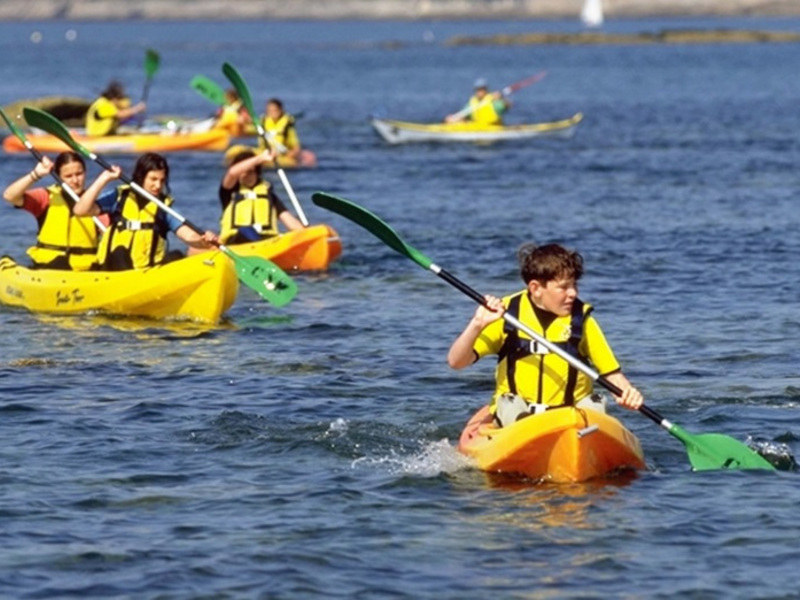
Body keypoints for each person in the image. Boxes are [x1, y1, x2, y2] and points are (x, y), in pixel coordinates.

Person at [447, 243, 643, 427]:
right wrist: (476, 324)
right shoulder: (505, 314)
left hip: (569, 419)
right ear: (536, 288)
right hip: (517, 418)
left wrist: (627, 393)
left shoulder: (582, 321)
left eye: (574, 285)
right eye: (564, 287)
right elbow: (456, 362)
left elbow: (611, 373)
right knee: (509, 404)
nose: (573, 293)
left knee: (595, 405)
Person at [73, 152, 218, 270]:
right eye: (153, 179)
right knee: (120, 252)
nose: (158, 185)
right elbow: (80, 210)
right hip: (112, 270)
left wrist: (203, 241)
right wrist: (104, 179)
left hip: (146, 275)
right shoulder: (118, 197)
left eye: (162, 180)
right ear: (141, 176)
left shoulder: (164, 208)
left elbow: (187, 235)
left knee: (177, 255)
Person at [2, 152, 103, 271]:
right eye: (68, 176)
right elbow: (10, 196)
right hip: (48, 268)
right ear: (59, 177)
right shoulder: (46, 197)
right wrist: (36, 174)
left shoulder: (97, 203)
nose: (75, 180)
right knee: (59, 263)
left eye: (79, 174)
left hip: (86, 270)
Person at [218, 148, 304, 245]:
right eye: (242, 171)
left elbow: (290, 222)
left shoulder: (269, 196)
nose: (245, 175)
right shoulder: (229, 192)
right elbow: (232, 173)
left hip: (266, 241)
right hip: (237, 241)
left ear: (256, 172)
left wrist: (308, 234)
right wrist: (261, 158)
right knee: (246, 230)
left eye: (249, 171)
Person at [444, 78, 510, 125]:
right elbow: (463, 114)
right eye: (478, 89)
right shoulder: (472, 103)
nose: (479, 91)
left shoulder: (493, 103)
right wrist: (453, 118)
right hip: (477, 129)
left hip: (493, 129)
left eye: (482, 89)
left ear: (486, 90)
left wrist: (501, 98)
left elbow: (508, 104)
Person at [258, 98, 302, 163]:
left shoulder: (287, 126)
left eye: (275, 110)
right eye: (269, 111)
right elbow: (248, 130)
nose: (272, 113)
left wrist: (291, 155)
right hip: (264, 153)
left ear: (281, 110)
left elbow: (296, 148)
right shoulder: (263, 122)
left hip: (281, 155)